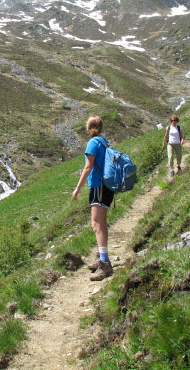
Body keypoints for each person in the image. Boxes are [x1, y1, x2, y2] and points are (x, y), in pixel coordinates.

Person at [72, 116, 114, 281]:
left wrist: (77, 187)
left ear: (89, 128)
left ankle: (104, 264)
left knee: (96, 224)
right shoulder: (104, 142)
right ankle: (102, 257)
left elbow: (88, 166)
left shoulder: (92, 143)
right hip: (107, 186)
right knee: (102, 223)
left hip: (97, 186)